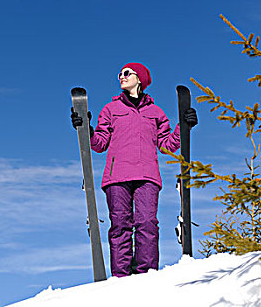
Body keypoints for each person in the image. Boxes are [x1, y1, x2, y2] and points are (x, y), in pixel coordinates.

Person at [71, 62, 197, 277]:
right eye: (120, 73)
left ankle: (146, 274)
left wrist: (183, 127)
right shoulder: (110, 109)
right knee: (120, 225)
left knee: (147, 224)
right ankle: (121, 277)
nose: (122, 76)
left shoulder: (155, 112)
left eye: (127, 73)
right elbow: (99, 144)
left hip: (147, 175)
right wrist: (86, 130)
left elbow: (167, 145)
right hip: (116, 176)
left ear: (140, 78)